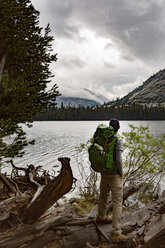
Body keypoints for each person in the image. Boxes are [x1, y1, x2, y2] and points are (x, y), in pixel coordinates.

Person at [96, 118, 129, 242]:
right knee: (117, 202)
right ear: (118, 127)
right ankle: (116, 232)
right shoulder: (118, 140)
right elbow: (119, 159)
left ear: (109, 127)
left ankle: (100, 216)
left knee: (103, 196)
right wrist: (121, 172)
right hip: (115, 175)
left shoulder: (104, 139)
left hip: (104, 173)